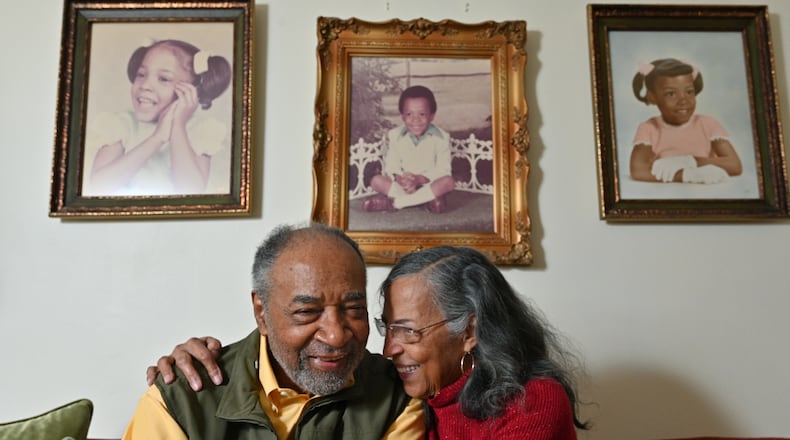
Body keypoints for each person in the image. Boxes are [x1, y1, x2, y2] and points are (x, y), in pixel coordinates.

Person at [150, 246, 589, 439]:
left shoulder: (533, 403)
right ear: (262, 312)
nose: (390, 349)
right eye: (388, 328)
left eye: (409, 331)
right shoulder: (412, 393)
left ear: (470, 331)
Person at [122, 223, 423, 439]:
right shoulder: (181, 400)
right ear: (261, 312)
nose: (336, 335)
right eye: (307, 312)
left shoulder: (396, 396)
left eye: (353, 309)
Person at [88, 39, 232, 196]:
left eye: (163, 79)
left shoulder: (201, 131)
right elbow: (98, 188)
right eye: (141, 74)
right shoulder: (122, 125)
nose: (144, 85)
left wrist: (177, 125)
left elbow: (191, 191)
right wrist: (158, 138)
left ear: (191, 91)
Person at [629, 58, 742, 184]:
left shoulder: (708, 124)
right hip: (667, 196)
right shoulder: (649, 128)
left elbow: (735, 165)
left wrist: (692, 161)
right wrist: (685, 175)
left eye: (689, 92)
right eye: (671, 94)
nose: (683, 100)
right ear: (652, 97)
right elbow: (637, 170)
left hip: (709, 192)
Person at [363, 85, 456, 214]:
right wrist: (399, 178)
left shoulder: (441, 138)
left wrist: (419, 179)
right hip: (403, 186)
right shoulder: (395, 135)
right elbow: (392, 165)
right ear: (402, 115)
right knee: (376, 181)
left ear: (432, 115)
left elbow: (443, 170)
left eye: (422, 114)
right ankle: (425, 201)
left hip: (428, 184)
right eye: (409, 114)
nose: (415, 119)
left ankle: (396, 203)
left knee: (448, 182)